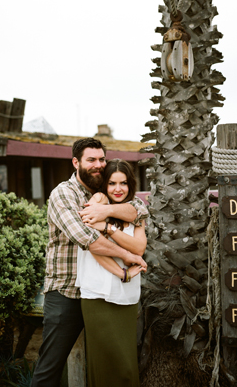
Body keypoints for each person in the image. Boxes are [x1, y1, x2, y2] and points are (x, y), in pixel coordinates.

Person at [31, 138, 148, 387]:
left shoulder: (107, 189)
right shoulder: (64, 194)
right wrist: (127, 256)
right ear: (76, 162)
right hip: (67, 292)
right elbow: (89, 240)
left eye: (101, 159)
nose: (98, 165)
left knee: (108, 365)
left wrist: (106, 212)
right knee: (51, 366)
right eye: (91, 160)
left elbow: (137, 210)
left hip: (104, 295)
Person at [76, 159, 147, 387]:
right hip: (98, 293)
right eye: (112, 183)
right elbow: (94, 246)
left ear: (130, 184)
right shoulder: (97, 201)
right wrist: (122, 272)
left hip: (126, 297)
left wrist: (107, 228)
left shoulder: (136, 209)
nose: (118, 189)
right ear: (104, 185)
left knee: (126, 365)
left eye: (123, 183)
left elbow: (138, 248)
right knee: (105, 364)